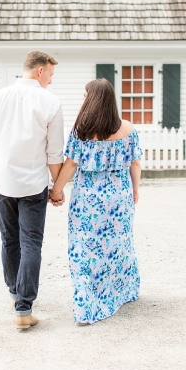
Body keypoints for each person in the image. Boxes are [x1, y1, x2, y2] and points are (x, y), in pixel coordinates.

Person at [0, 51, 64, 329]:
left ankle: (15, 295)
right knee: (31, 244)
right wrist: (56, 188)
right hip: (34, 184)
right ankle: (24, 308)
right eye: (50, 74)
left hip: (4, 181)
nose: (50, 81)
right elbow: (55, 151)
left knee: (9, 241)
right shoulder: (50, 102)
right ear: (39, 71)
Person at [49, 78, 142, 325]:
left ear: (92, 100)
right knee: (118, 246)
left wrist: (56, 190)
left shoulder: (82, 131)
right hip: (119, 198)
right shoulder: (129, 130)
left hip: (88, 202)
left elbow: (70, 163)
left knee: (84, 249)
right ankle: (119, 292)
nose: (82, 100)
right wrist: (135, 191)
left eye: (84, 96)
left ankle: (86, 303)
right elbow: (135, 164)